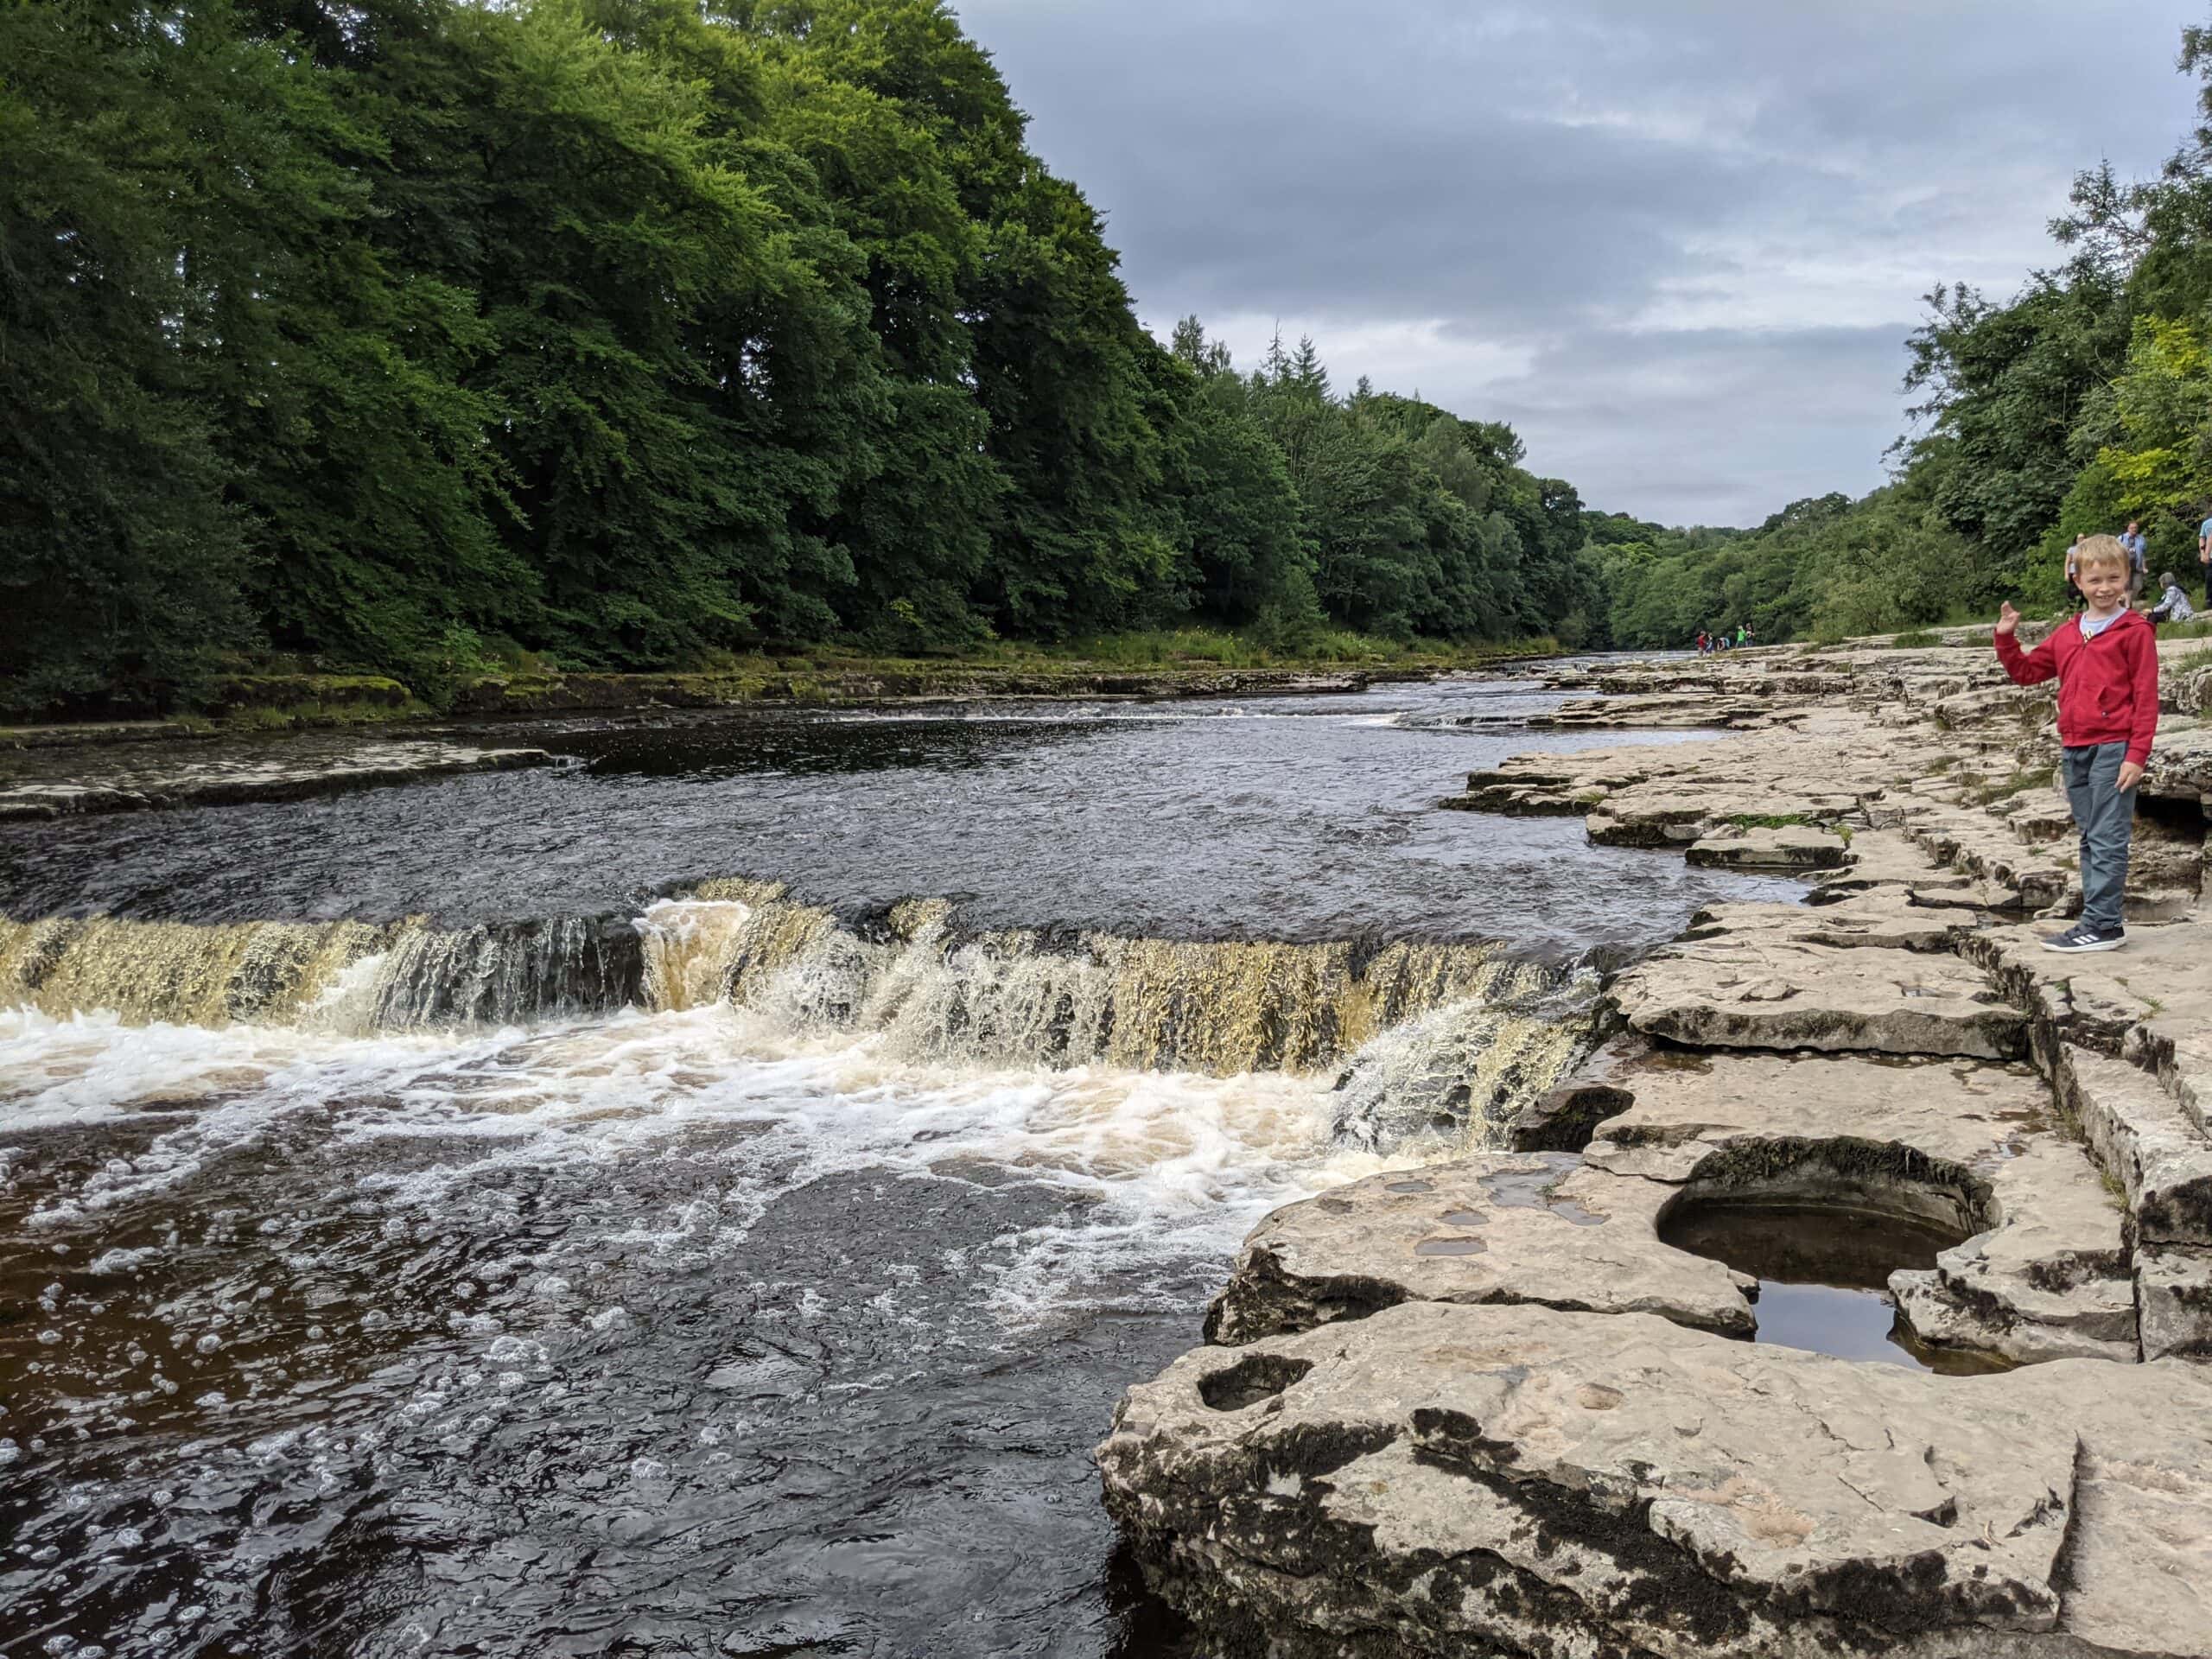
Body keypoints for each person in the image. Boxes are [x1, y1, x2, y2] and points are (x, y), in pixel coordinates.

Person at [1993, 533, 2159, 954]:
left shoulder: (2134, 631)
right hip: (2075, 747)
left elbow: (2146, 697)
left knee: (2107, 835)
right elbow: (2028, 673)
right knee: (2089, 835)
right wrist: (2006, 639)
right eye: (2095, 579)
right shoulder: (2068, 634)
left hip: (2114, 747)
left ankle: (2103, 925)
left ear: (2128, 578)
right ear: (2078, 580)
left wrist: (2136, 754)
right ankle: (2097, 920)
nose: (2104, 588)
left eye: (2114, 578)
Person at [2120, 521, 2149, 601]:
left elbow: (2143, 555)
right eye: (2132, 528)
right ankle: (2126, 605)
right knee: (2126, 586)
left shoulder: (2141, 539)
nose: (2134, 529)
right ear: (2128, 529)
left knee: (2138, 586)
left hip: (2137, 567)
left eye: (2136, 528)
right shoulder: (2121, 538)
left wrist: (2144, 567)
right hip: (2125, 567)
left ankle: (2129, 602)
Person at [2064, 533, 2087, 612]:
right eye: (2080, 538)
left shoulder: (2088, 549)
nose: (2082, 540)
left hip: (2084, 572)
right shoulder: (2072, 549)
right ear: (2076, 540)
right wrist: (2066, 574)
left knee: (2084, 590)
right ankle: (2073, 609)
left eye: (2083, 538)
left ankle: (2085, 607)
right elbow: (2067, 562)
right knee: (2073, 591)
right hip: (2073, 571)